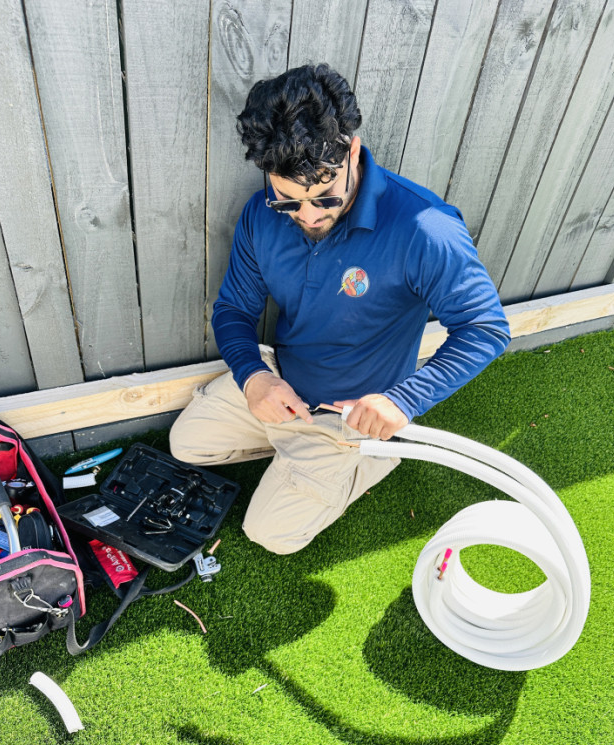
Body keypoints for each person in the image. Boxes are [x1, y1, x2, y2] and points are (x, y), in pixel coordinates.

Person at [170, 64, 511, 554]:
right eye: (288, 201)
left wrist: (403, 402)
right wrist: (254, 377)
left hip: (349, 411)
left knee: (270, 535)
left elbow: (485, 327)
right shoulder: (258, 214)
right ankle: (296, 451)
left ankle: (374, 454)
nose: (308, 216)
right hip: (282, 379)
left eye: (324, 197)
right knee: (186, 445)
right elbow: (234, 309)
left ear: (352, 151)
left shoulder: (426, 227)